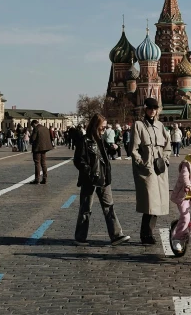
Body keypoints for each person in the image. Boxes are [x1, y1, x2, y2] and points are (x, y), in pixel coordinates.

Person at [73, 113, 131, 247]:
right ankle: (80, 237)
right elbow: (78, 160)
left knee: (109, 207)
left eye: (105, 128)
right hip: (90, 179)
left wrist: (111, 149)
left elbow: (103, 157)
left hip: (104, 178)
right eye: (101, 128)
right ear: (94, 126)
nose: (103, 130)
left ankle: (116, 235)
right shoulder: (84, 140)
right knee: (85, 208)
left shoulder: (101, 140)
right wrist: (89, 172)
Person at [131, 98, 171, 245]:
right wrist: (142, 164)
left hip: (159, 169)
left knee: (158, 203)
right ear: (145, 109)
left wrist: (165, 159)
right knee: (149, 201)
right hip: (147, 170)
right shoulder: (138, 125)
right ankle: (146, 234)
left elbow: (167, 146)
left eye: (155, 108)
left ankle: (148, 233)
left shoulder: (160, 126)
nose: (152, 111)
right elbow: (134, 149)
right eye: (150, 108)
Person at [30, 119, 53, 184]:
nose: (32, 127)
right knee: (43, 163)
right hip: (45, 148)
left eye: (32, 126)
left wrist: (31, 139)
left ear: (34, 124)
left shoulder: (36, 129)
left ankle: (37, 179)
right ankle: (44, 178)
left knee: (37, 163)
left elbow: (33, 139)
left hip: (37, 148)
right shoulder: (45, 128)